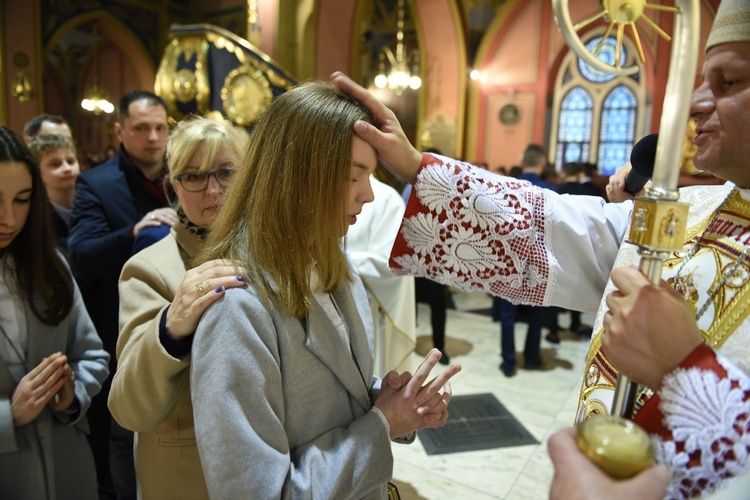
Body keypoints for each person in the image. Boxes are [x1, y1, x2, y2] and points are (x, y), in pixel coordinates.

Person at [330, 0, 750, 493]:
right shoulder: (694, 210)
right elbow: (552, 230)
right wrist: (417, 170)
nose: (697, 102)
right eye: (702, 79)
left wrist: (684, 371)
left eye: (728, 82)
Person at [190, 81, 460, 498]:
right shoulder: (236, 308)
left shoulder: (334, 262)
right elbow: (257, 492)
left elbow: (332, 390)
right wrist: (382, 424)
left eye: (370, 176)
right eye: (355, 176)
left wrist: (390, 402)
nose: (369, 195)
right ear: (298, 176)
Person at [107, 116, 248, 498]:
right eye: (194, 176)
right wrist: (170, 328)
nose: (213, 190)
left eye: (226, 172)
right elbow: (129, 408)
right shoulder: (150, 269)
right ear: (173, 185)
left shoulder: (271, 253)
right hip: (190, 476)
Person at [68, 90, 177, 499]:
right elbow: (81, 253)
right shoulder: (96, 183)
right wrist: (132, 231)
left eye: (160, 127)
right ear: (120, 132)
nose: (153, 137)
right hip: (120, 326)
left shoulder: (184, 174)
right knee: (122, 433)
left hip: (175, 326)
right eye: (141, 128)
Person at [0, 126, 109, 499]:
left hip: (68, 469)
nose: (9, 219)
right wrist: (8, 416)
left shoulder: (51, 267)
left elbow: (92, 354)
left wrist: (70, 394)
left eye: (22, 199)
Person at [347, 174, 417, 375]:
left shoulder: (386, 199)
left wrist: (332, 260)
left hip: (367, 315)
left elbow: (392, 266)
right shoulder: (323, 193)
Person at [28, 134, 80, 250]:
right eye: (55, 164)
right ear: (38, 173)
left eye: (71, 161)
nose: (67, 168)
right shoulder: (38, 218)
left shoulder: (93, 202)